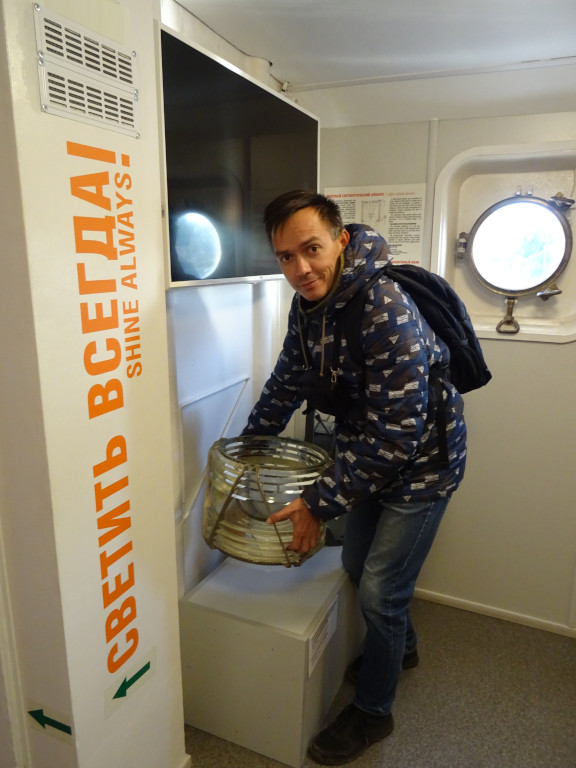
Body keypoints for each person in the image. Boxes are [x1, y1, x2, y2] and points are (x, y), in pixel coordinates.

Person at [242, 190, 467, 765]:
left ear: (341, 241)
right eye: (286, 257)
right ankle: (403, 647)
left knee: (381, 589)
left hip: (423, 467)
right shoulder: (308, 309)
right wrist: (249, 445)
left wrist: (317, 503)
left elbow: (398, 435)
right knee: (354, 563)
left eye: (311, 249)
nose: (301, 268)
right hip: (365, 461)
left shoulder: (384, 307)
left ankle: (373, 713)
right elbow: (287, 381)